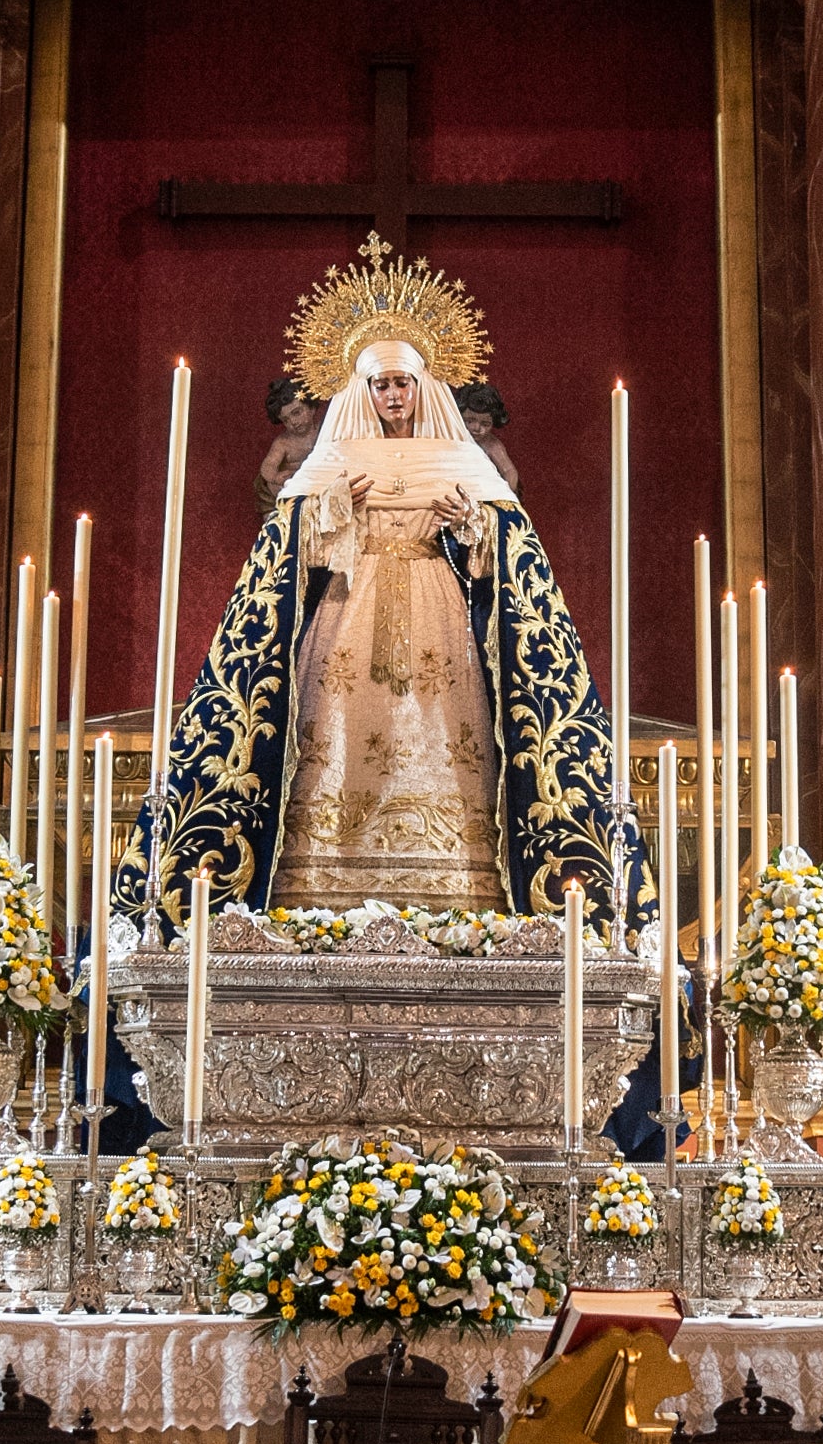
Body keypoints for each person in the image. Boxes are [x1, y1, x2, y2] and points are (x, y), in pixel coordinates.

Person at [114, 236, 643, 934]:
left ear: (425, 386)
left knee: (444, 735)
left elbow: (512, 555)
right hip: (349, 609)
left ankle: (458, 891)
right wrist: (333, 508)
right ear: (362, 391)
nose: (393, 395)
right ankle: (320, 890)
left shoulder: (458, 456)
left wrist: (474, 528)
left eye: (403, 382)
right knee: (333, 730)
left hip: (435, 608)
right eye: (381, 384)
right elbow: (286, 545)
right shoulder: (335, 455)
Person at [256, 376, 323, 518]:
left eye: (296, 412)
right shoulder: (283, 443)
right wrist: (275, 477)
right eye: (285, 419)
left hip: (315, 488)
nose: (293, 422)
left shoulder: (325, 431)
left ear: (311, 408)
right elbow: (268, 465)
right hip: (289, 492)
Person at [454, 377, 520, 493]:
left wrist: (504, 497)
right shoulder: (451, 434)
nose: (477, 428)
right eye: (469, 421)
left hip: (484, 493)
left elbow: (509, 472)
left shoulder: (491, 444)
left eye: (485, 424)